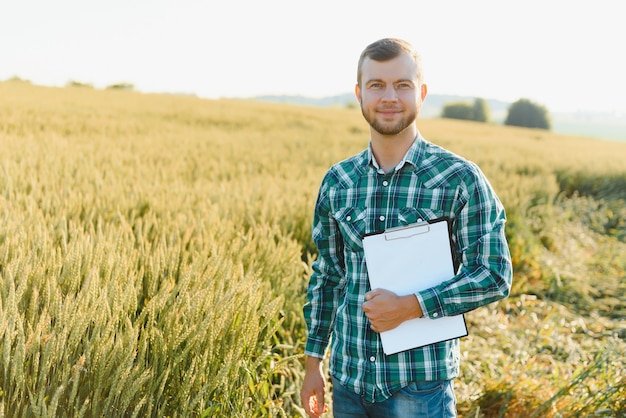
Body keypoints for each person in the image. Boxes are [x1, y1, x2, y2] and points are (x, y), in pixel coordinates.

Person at [300, 38, 513, 418]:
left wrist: (412, 307)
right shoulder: (339, 180)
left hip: (419, 389)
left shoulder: (459, 179)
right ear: (359, 93)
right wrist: (313, 362)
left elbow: (494, 274)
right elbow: (328, 275)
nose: (389, 97)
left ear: (422, 93)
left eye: (402, 85)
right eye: (376, 85)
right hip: (347, 382)